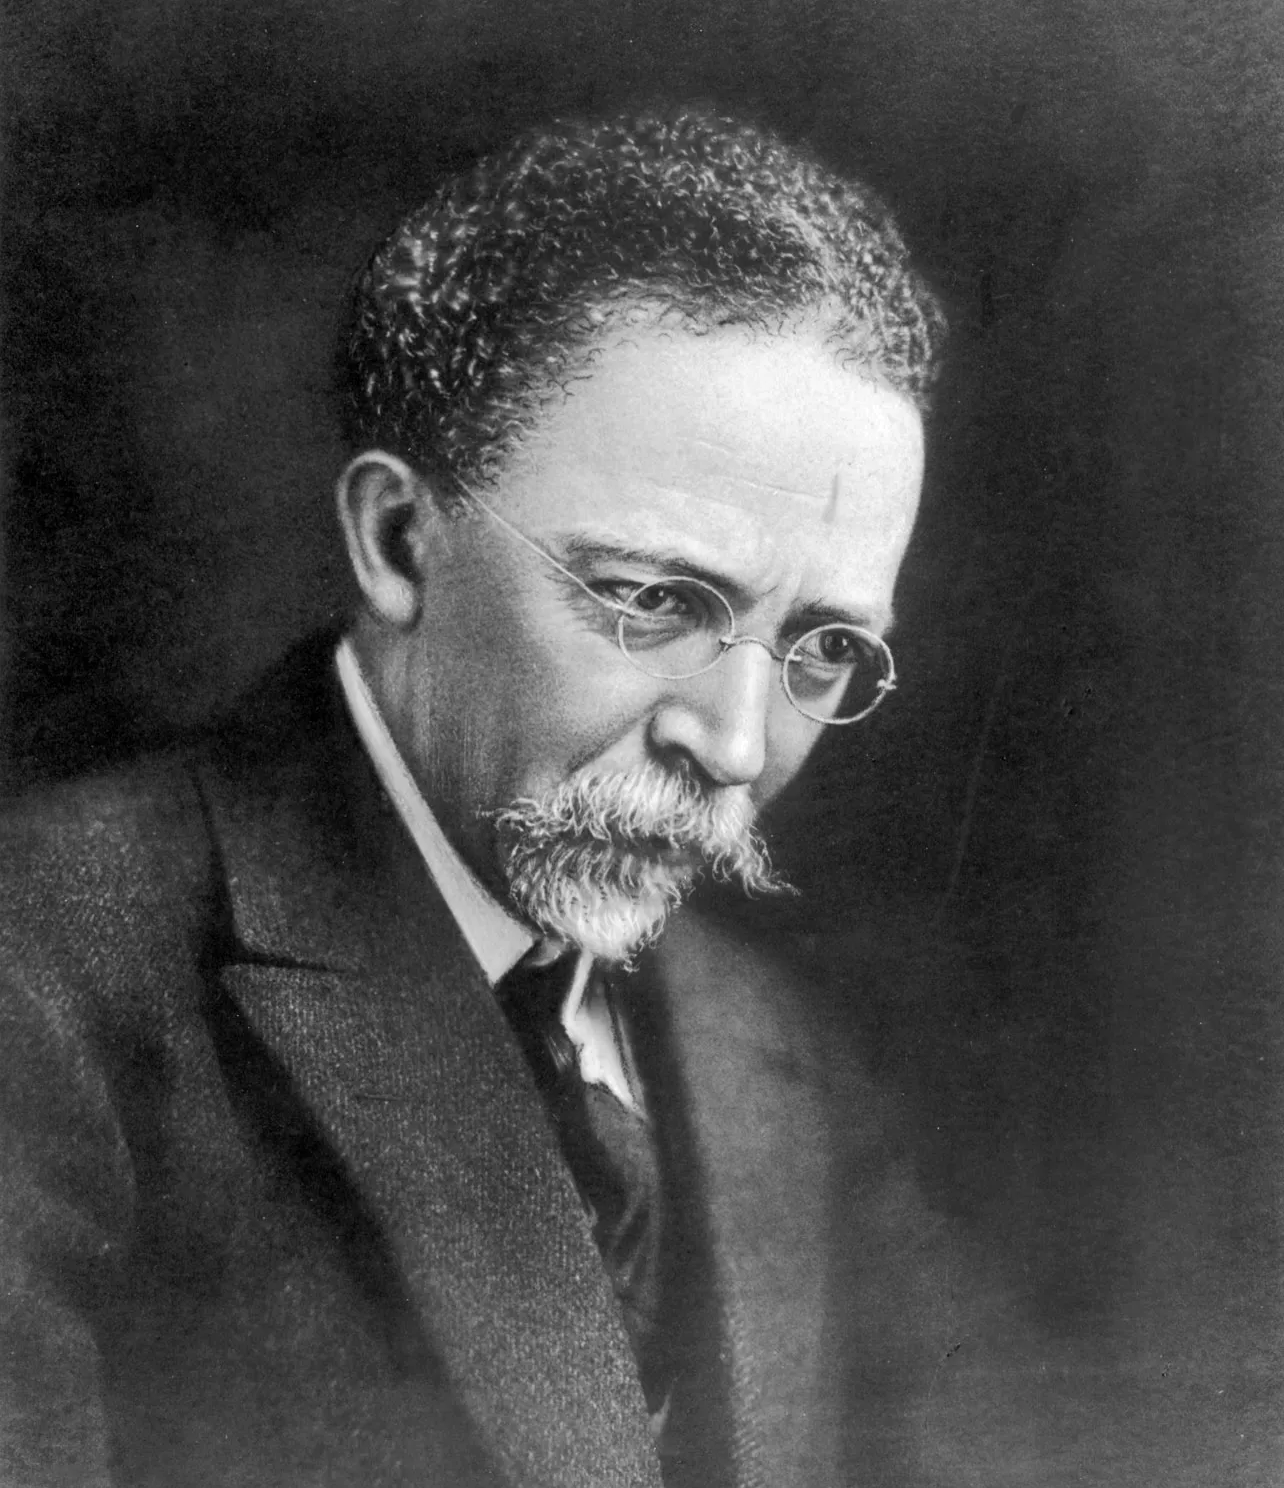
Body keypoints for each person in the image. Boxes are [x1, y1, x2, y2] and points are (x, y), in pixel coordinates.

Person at [0, 109, 952, 1487]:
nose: (738, 745)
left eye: (824, 647)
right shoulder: (42, 976)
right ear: (400, 542)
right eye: (654, 600)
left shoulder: (777, 1057)